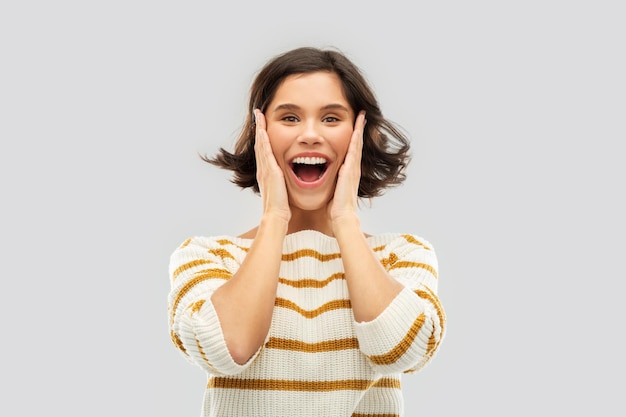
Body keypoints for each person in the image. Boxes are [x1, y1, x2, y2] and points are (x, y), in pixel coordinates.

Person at [167, 46, 446, 417]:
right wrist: (274, 217)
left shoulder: (402, 255)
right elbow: (228, 348)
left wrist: (345, 217)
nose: (311, 135)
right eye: (290, 118)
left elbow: (398, 349)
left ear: (360, 134)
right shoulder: (207, 256)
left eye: (331, 118)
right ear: (260, 133)